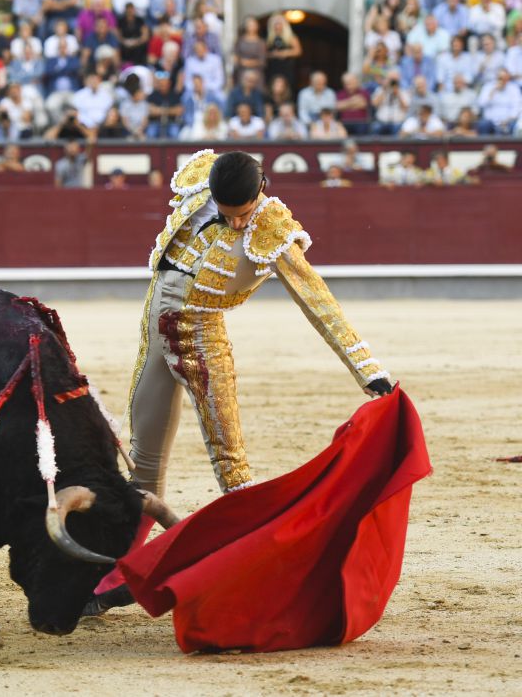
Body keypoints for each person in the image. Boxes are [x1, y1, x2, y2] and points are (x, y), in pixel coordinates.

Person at [84, 150, 392, 614]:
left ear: (260, 191)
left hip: (203, 344)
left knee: (232, 471)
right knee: (144, 461)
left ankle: (263, 578)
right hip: (155, 335)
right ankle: (117, 576)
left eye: (242, 214)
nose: (235, 223)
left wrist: (367, 369)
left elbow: (317, 299)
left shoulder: (273, 228)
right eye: (227, 213)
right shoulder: (198, 184)